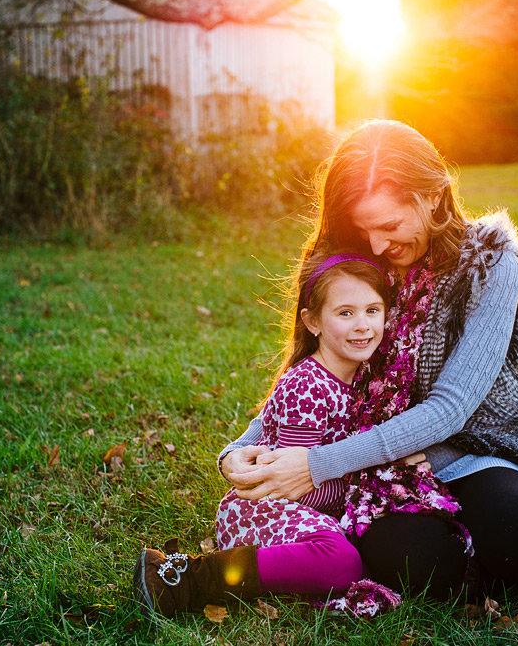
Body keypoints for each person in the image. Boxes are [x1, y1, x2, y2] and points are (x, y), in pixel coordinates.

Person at [221, 119, 518, 599]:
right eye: (363, 228)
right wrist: (240, 450)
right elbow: (310, 375)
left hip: (475, 452)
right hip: (378, 475)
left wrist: (318, 463)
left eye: (390, 225)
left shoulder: (489, 261)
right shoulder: (355, 269)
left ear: (433, 195)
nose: (377, 245)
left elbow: (451, 409)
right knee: (406, 562)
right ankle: (499, 567)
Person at [134, 249, 400, 617]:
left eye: (373, 310)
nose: (362, 325)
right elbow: (293, 486)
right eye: (345, 313)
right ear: (313, 322)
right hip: (266, 509)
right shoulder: (307, 387)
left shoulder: (362, 378)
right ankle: (187, 578)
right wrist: (362, 487)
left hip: (307, 511)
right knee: (343, 564)